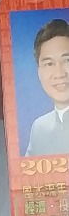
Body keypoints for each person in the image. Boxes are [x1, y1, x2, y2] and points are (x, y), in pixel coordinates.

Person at [25, 18, 69, 156]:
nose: (59, 73)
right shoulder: (39, 129)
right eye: (49, 64)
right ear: (39, 72)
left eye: (67, 60)